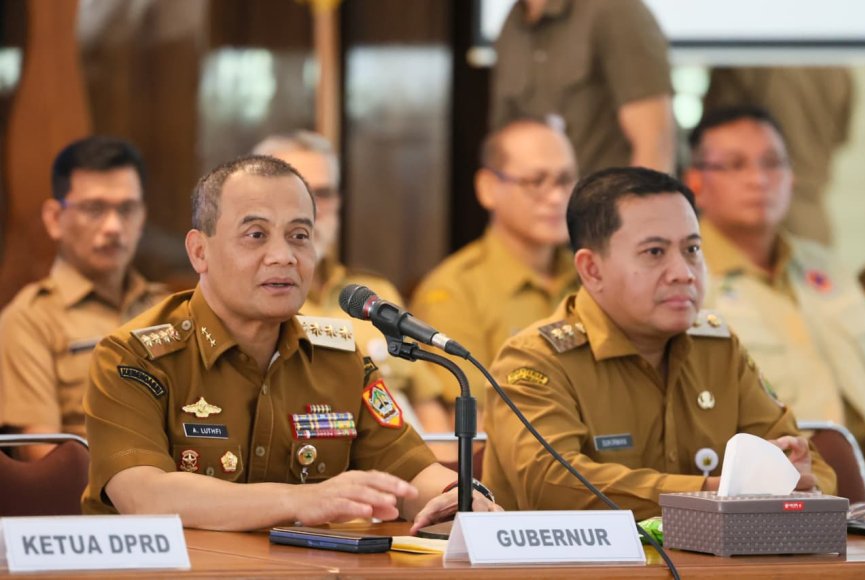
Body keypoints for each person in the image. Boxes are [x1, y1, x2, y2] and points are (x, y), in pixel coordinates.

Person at [82, 155, 499, 531]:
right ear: (199, 252)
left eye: (299, 236)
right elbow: (144, 497)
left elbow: (408, 472)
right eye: (256, 235)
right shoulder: (133, 357)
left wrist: (459, 498)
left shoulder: (339, 359)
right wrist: (302, 500)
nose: (283, 256)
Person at [483, 166, 836, 518]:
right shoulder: (535, 361)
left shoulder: (718, 349)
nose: (683, 272)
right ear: (592, 269)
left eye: (692, 248)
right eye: (655, 252)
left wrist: (802, 484)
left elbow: (808, 465)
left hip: (712, 569)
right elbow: (553, 485)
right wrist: (718, 494)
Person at [684, 105, 865, 462]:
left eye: (772, 163)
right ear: (696, 182)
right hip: (789, 483)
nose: (759, 179)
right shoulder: (688, 282)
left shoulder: (825, 264)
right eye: (736, 165)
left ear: (792, 176)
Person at [252, 132, 450, 433]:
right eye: (297, 193)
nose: (312, 211)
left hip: (413, 460)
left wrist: (446, 472)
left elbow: (425, 401)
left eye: (324, 194)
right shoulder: (254, 300)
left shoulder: (373, 292)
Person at [0, 136, 164, 459]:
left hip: (182, 497)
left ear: (142, 216)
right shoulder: (29, 320)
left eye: (127, 209)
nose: (114, 227)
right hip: (88, 503)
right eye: (94, 209)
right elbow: (42, 460)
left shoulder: (167, 308)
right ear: (54, 219)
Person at [411, 118, 579, 407]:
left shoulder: (591, 276)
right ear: (488, 188)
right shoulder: (455, 290)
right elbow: (470, 418)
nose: (557, 197)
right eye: (536, 181)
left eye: (565, 180)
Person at [490, 0, 675, 176]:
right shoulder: (512, 25)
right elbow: (503, 148)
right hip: (543, 206)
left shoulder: (615, 9)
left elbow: (655, 145)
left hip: (604, 204)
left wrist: (635, 209)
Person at [703, 67, 853, 245]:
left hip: (760, 215)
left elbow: (715, 131)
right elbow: (840, 137)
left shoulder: (748, 58)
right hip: (812, 217)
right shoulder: (839, 68)